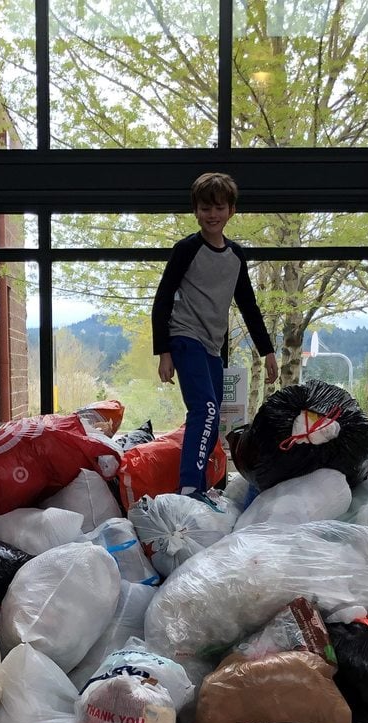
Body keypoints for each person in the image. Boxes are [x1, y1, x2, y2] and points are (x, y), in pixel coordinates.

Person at [152, 172, 277, 500]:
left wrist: (268, 351)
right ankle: (190, 488)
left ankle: (200, 485)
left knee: (212, 415)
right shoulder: (187, 250)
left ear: (231, 211)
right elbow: (163, 298)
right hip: (184, 336)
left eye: (219, 207)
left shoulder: (236, 256)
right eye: (205, 208)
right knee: (205, 409)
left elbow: (248, 305)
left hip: (212, 345)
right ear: (196, 211)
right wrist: (163, 351)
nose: (212, 214)